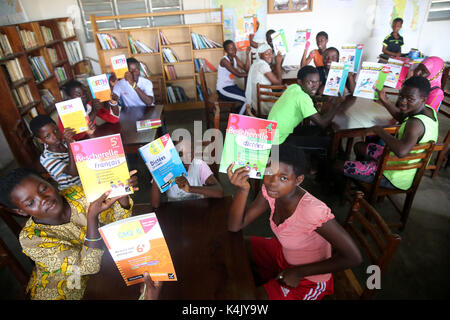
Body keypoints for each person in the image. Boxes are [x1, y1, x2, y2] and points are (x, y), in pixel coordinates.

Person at [226, 143, 362, 300]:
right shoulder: (270, 191)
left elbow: (353, 257)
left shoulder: (312, 211)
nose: (272, 182)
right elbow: (235, 226)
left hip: (310, 277)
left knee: (255, 299)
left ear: (298, 180)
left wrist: (299, 272)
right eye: (269, 172)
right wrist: (243, 189)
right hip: (285, 253)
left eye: (283, 177)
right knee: (237, 246)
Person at [0, 167, 138, 300]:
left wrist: (122, 196)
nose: (43, 199)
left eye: (43, 189)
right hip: (65, 289)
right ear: (21, 212)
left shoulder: (75, 194)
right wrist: (92, 217)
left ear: (51, 183)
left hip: (103, 267)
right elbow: (88, 267)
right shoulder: (31, 239)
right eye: (30, 203)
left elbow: (118, 223)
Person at [343, 76, 439, 190]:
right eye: (401, 96)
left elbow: (401, 151)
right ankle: (362, 179)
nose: (403, 102)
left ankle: (363, 183)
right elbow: (401, 116)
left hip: (394, 175)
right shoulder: (427, 111)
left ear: (423, 99)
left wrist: (379, 130)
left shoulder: (415, 123)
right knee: (359, 147)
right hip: (404, 167)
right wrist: (384, 100)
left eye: (409, 99)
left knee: (337, 166)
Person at [267, 65, 348, 155]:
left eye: (317, 82)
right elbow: (323, 123)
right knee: (327, 142)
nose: (315, 86)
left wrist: (325, 99)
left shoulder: (294, 87)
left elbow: (313, 98)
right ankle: (320, 166)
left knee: (318, 131)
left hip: (271, 134)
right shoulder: (303, 98)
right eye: (310, 82)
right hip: (277, 143)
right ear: (300, 82)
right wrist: (336, 105)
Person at [151, 138, 224, 207]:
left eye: (189, 153)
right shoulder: (166, 169)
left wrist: (190, 189)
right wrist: (157, 174)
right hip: (174, 211)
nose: (185, 159)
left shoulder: (199, 165)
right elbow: (155, 205)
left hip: (198, 209)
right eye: (180, 154)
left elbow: (219, 192)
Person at [29, 115, 81, 191]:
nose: (55, 137)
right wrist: (70, 144)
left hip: (86, 182)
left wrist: (90, 133)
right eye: (47, 136)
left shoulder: (66, 143)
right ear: (40, 140)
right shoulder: (46, 158)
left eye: (56, 130)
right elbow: (73, 172)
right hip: (73, 193)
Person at [245, 43, 283, 116]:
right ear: (259, 54)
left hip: (257, 102)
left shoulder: (256, 63)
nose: (270, 56)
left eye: (271, 53)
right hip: (265, 104)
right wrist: (278, 63)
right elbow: (278, 83)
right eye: (267, 54)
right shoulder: (263, 65)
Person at [216, 40, 251, 114]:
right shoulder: (224, 61)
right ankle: (237, 123)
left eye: (234, 47)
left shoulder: (235, 58)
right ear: (226, 50)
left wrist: (247, 55)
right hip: (223, 89)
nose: (234, 50)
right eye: (231, 49)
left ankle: (235, 115)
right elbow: (238, 74)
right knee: (246, 100)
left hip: (232, 87)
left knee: (248, 97)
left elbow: (246, 69)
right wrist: (252, 74)